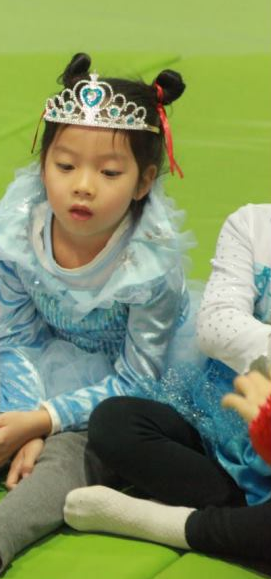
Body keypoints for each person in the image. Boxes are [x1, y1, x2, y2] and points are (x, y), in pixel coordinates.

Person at [0, 53, 193, 579]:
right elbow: (16, 336)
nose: (83, 185)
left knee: (71, 458)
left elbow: (138, 379)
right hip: (36, 370)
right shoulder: (19, 231)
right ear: (43, 162)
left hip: (121, 398)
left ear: (143, 182)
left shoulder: (149, 266)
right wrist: (21, 421)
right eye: (65, 166)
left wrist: (45, 422)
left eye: (109, 172)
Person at [65, 203, 271, 564]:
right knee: (115, 422)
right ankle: (241, 518)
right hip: (222, 426)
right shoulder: (252, 223)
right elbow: (217, 326)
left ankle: (171, 523)